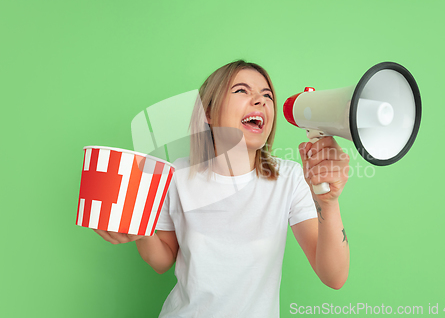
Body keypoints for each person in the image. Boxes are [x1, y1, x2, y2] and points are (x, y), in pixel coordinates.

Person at [94, 60, 350, 317]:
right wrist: (141, 231)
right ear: (209, 112)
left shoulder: (290, 179)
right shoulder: (176, 176)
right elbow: (163, 261)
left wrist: (328, 202)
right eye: (241, 90)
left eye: (267, 95)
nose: (260, 100)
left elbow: (334, 276)